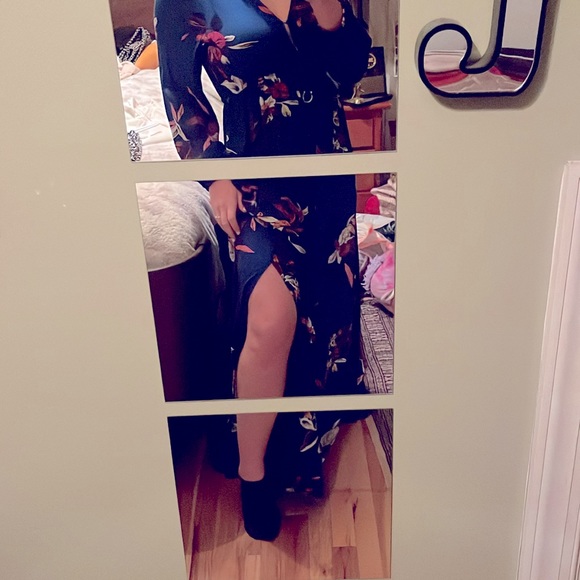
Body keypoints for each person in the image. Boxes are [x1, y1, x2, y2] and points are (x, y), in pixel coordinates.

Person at [155, 0, 371, 541]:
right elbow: (181, 94)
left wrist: (327, 8)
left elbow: (349, 72)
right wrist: (214, 174)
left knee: (326, 304)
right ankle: (253, 476)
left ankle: (324, 410)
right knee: (271, 318)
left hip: (327, 171)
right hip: (254, 175)